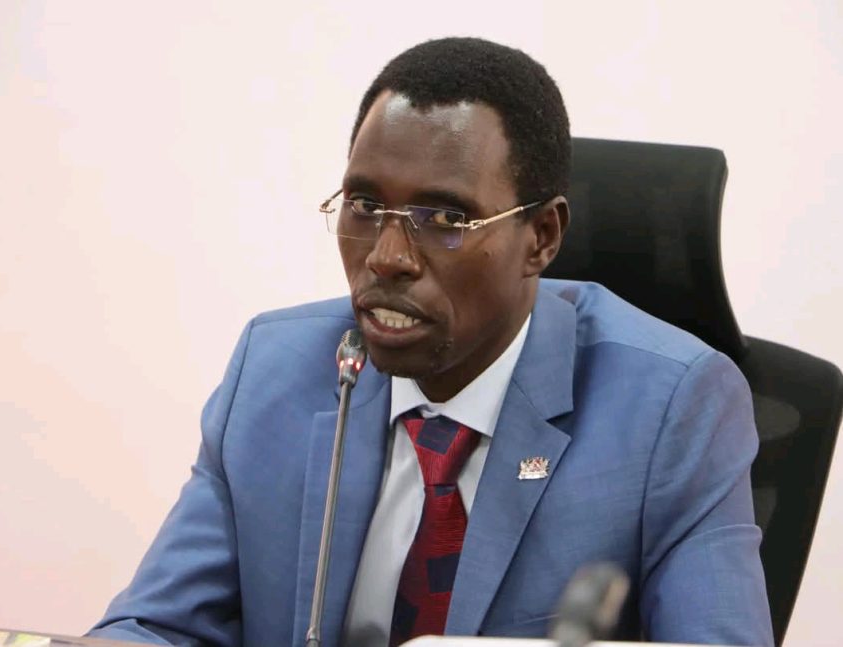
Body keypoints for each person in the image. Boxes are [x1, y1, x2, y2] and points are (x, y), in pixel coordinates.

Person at [90, 37, 773, 646]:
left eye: (445, 218)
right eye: (365, 206)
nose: (387, 257)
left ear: (541, 238)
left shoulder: (671, 409)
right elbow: (158, 624)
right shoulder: (275, 369)